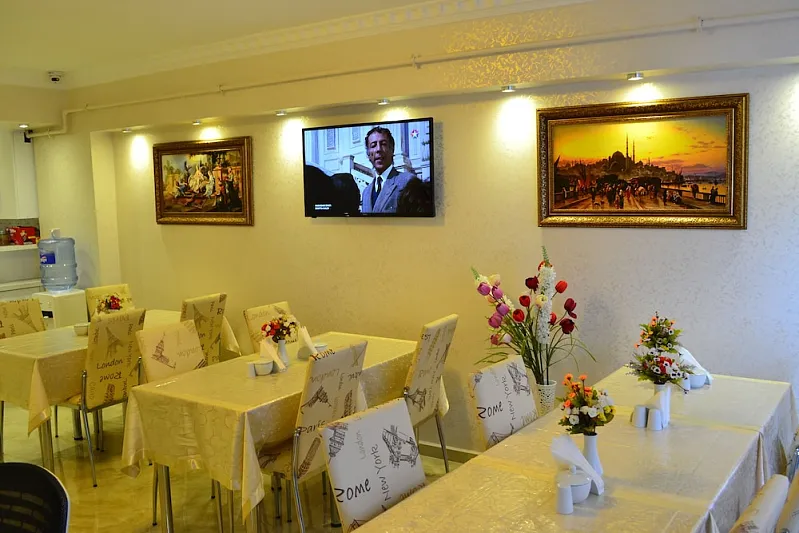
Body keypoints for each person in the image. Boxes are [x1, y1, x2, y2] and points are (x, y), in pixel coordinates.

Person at [360, 127, 415, 214]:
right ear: (368, 154)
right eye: (373, 145)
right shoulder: (366, 193)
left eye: (383, 144)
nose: (378, 149)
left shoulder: (408, 182)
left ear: (392, 149)